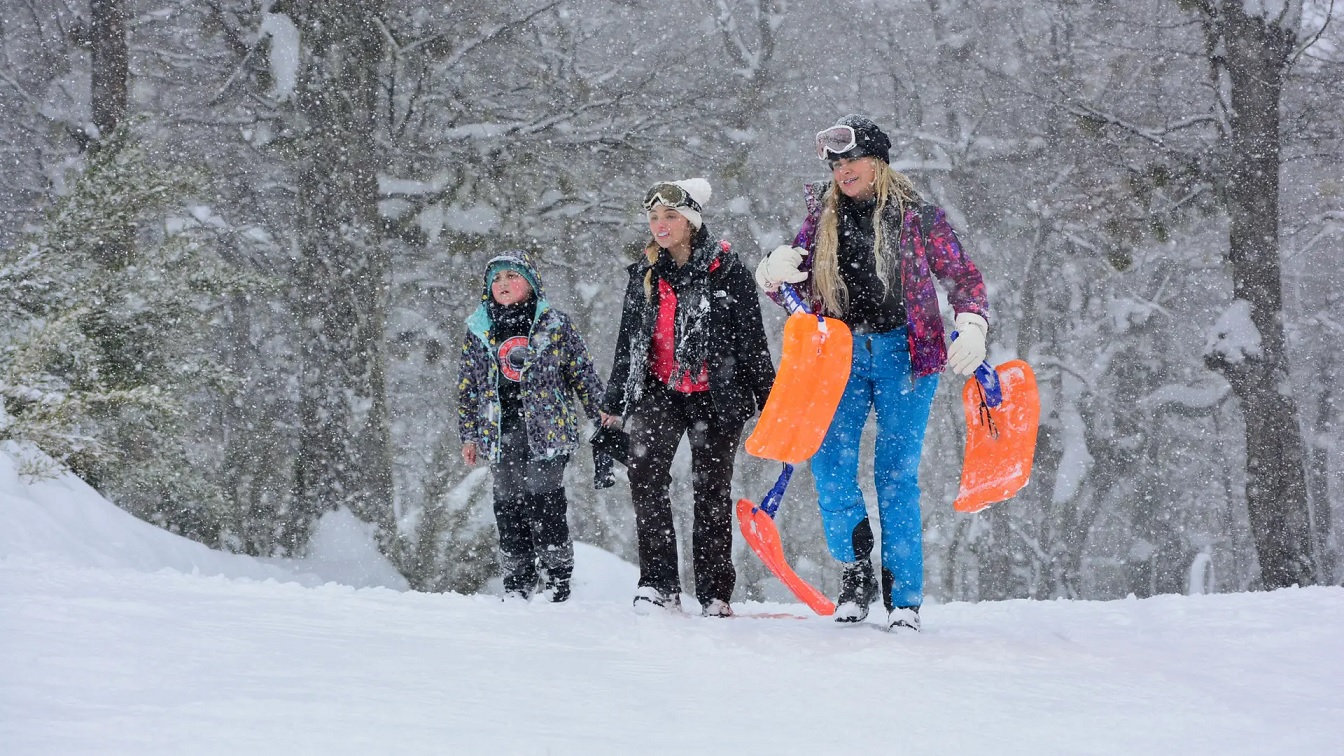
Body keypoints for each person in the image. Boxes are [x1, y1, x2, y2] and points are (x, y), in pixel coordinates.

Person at [754, 115, 989, 632]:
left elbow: (963, 279)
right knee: (830, 465)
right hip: (838, 357)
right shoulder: (821, 221)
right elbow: (790, 289)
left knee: (896, 475)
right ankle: (855, 570)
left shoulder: (920, 218)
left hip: (907, 356)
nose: (843, 171)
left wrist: (972, 323)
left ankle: (903, 599)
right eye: (835, 164)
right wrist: (771, 271)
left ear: (877, 162)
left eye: (851, 160)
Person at [602, 178, 775, 617]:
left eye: (671, 217)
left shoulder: (729, 271)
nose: (660, 225)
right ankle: (658, 584)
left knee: (711, 491)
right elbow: (628, 342)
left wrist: (771, 401)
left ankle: (715, 593)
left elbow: (752, 342)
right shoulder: (643, 273)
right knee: (645, 475)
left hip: (716, 395)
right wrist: (613, 401)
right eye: (654, 217)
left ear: (692, 222)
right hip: (660, 390)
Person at [457, 252, 609, 602]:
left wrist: (601, 413)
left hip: (548, 430)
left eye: (512, 276)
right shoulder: (480, 330)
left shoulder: (555, 324)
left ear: (531, 282)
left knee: (545, 501)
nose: (504, 284)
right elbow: (468, 385)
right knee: (508, 505)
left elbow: (582, 373)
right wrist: (468, 434)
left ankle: (557, 578)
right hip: (499, 431)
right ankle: (518, 582)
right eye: (496, 279)